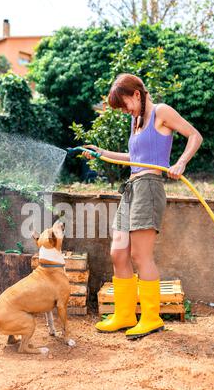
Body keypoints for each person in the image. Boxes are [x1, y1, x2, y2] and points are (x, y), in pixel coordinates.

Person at [83, 73, 203, 339]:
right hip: (131, 187)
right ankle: (125, 314)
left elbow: (194, 136)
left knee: (140, 255)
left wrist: (180, 162)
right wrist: (100, 153)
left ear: (136, 94)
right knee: (118, 252)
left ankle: (150, 317)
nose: (124, 110)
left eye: (124, 103)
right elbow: (134, 157)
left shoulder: (162, 112)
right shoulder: (135, 121)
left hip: (149, 187)